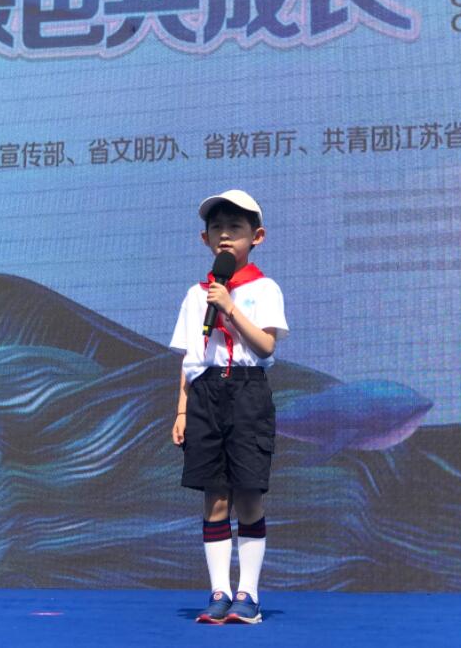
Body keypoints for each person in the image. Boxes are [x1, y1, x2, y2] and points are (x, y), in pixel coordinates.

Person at [170, 189, 289, 625]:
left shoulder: (264, 288)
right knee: (214, 496)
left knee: (248, 493)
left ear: (256, 237)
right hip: (205, 394)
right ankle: (219, 592)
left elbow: (266, 347)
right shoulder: (195, 294)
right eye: (216, 228)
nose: (224, 235)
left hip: (247, 391)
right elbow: (190, 358)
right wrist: (182, 410)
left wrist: (230, 308)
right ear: (204, 239)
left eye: (235, 228)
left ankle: (248, 595)